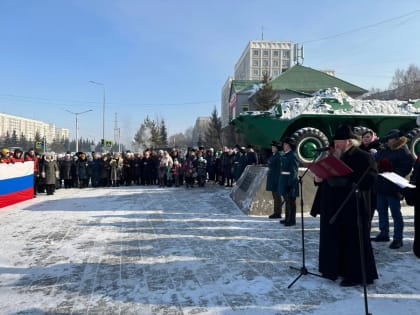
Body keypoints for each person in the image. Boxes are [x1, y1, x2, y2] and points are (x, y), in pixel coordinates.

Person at [310, 125, 378, 286]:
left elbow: (371, 180)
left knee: (352, 241)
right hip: (332, 207)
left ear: (350, 142)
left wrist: (347, 181)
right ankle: (335, 269)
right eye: (335, 142)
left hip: (352, 207)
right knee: (334, 239)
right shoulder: (334, 157)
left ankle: (355, 275)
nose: (337, 145)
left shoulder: (363, 157)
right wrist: (317, 180)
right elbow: (325, 176)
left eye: (340, 142)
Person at [374, 129, 414, 249]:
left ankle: (398, 238)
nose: (388, 141)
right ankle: (384, 233)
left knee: (396, 214)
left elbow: (406, 168)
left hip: (393, 186)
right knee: (381, 211)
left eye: (390, 139)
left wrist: (391, 171)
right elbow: (377, 160)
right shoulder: (385, 150)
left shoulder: (403, 151)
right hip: (381, 185)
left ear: (397, 139)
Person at [278, 137, 299, 226]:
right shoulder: (286, 155)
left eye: (285, 144)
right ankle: (287, 218)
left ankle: (292, 220)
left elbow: (294, 171)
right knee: (287, 201)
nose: (284, 146)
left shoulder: (292, 156)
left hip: (290, 182)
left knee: (291, 201)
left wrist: (290, 184)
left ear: (289, 146)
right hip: (284, 180)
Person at [266, 140, 283, 219]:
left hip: (276, 180)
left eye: (273, 147)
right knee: (275, 197)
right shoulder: (275, 155)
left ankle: (278, 213)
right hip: (273, 179)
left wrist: (278, 180)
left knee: (277, 197)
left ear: (277, 148)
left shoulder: (279, 156)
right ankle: (276, 212)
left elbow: (279, 169)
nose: (272, 148)